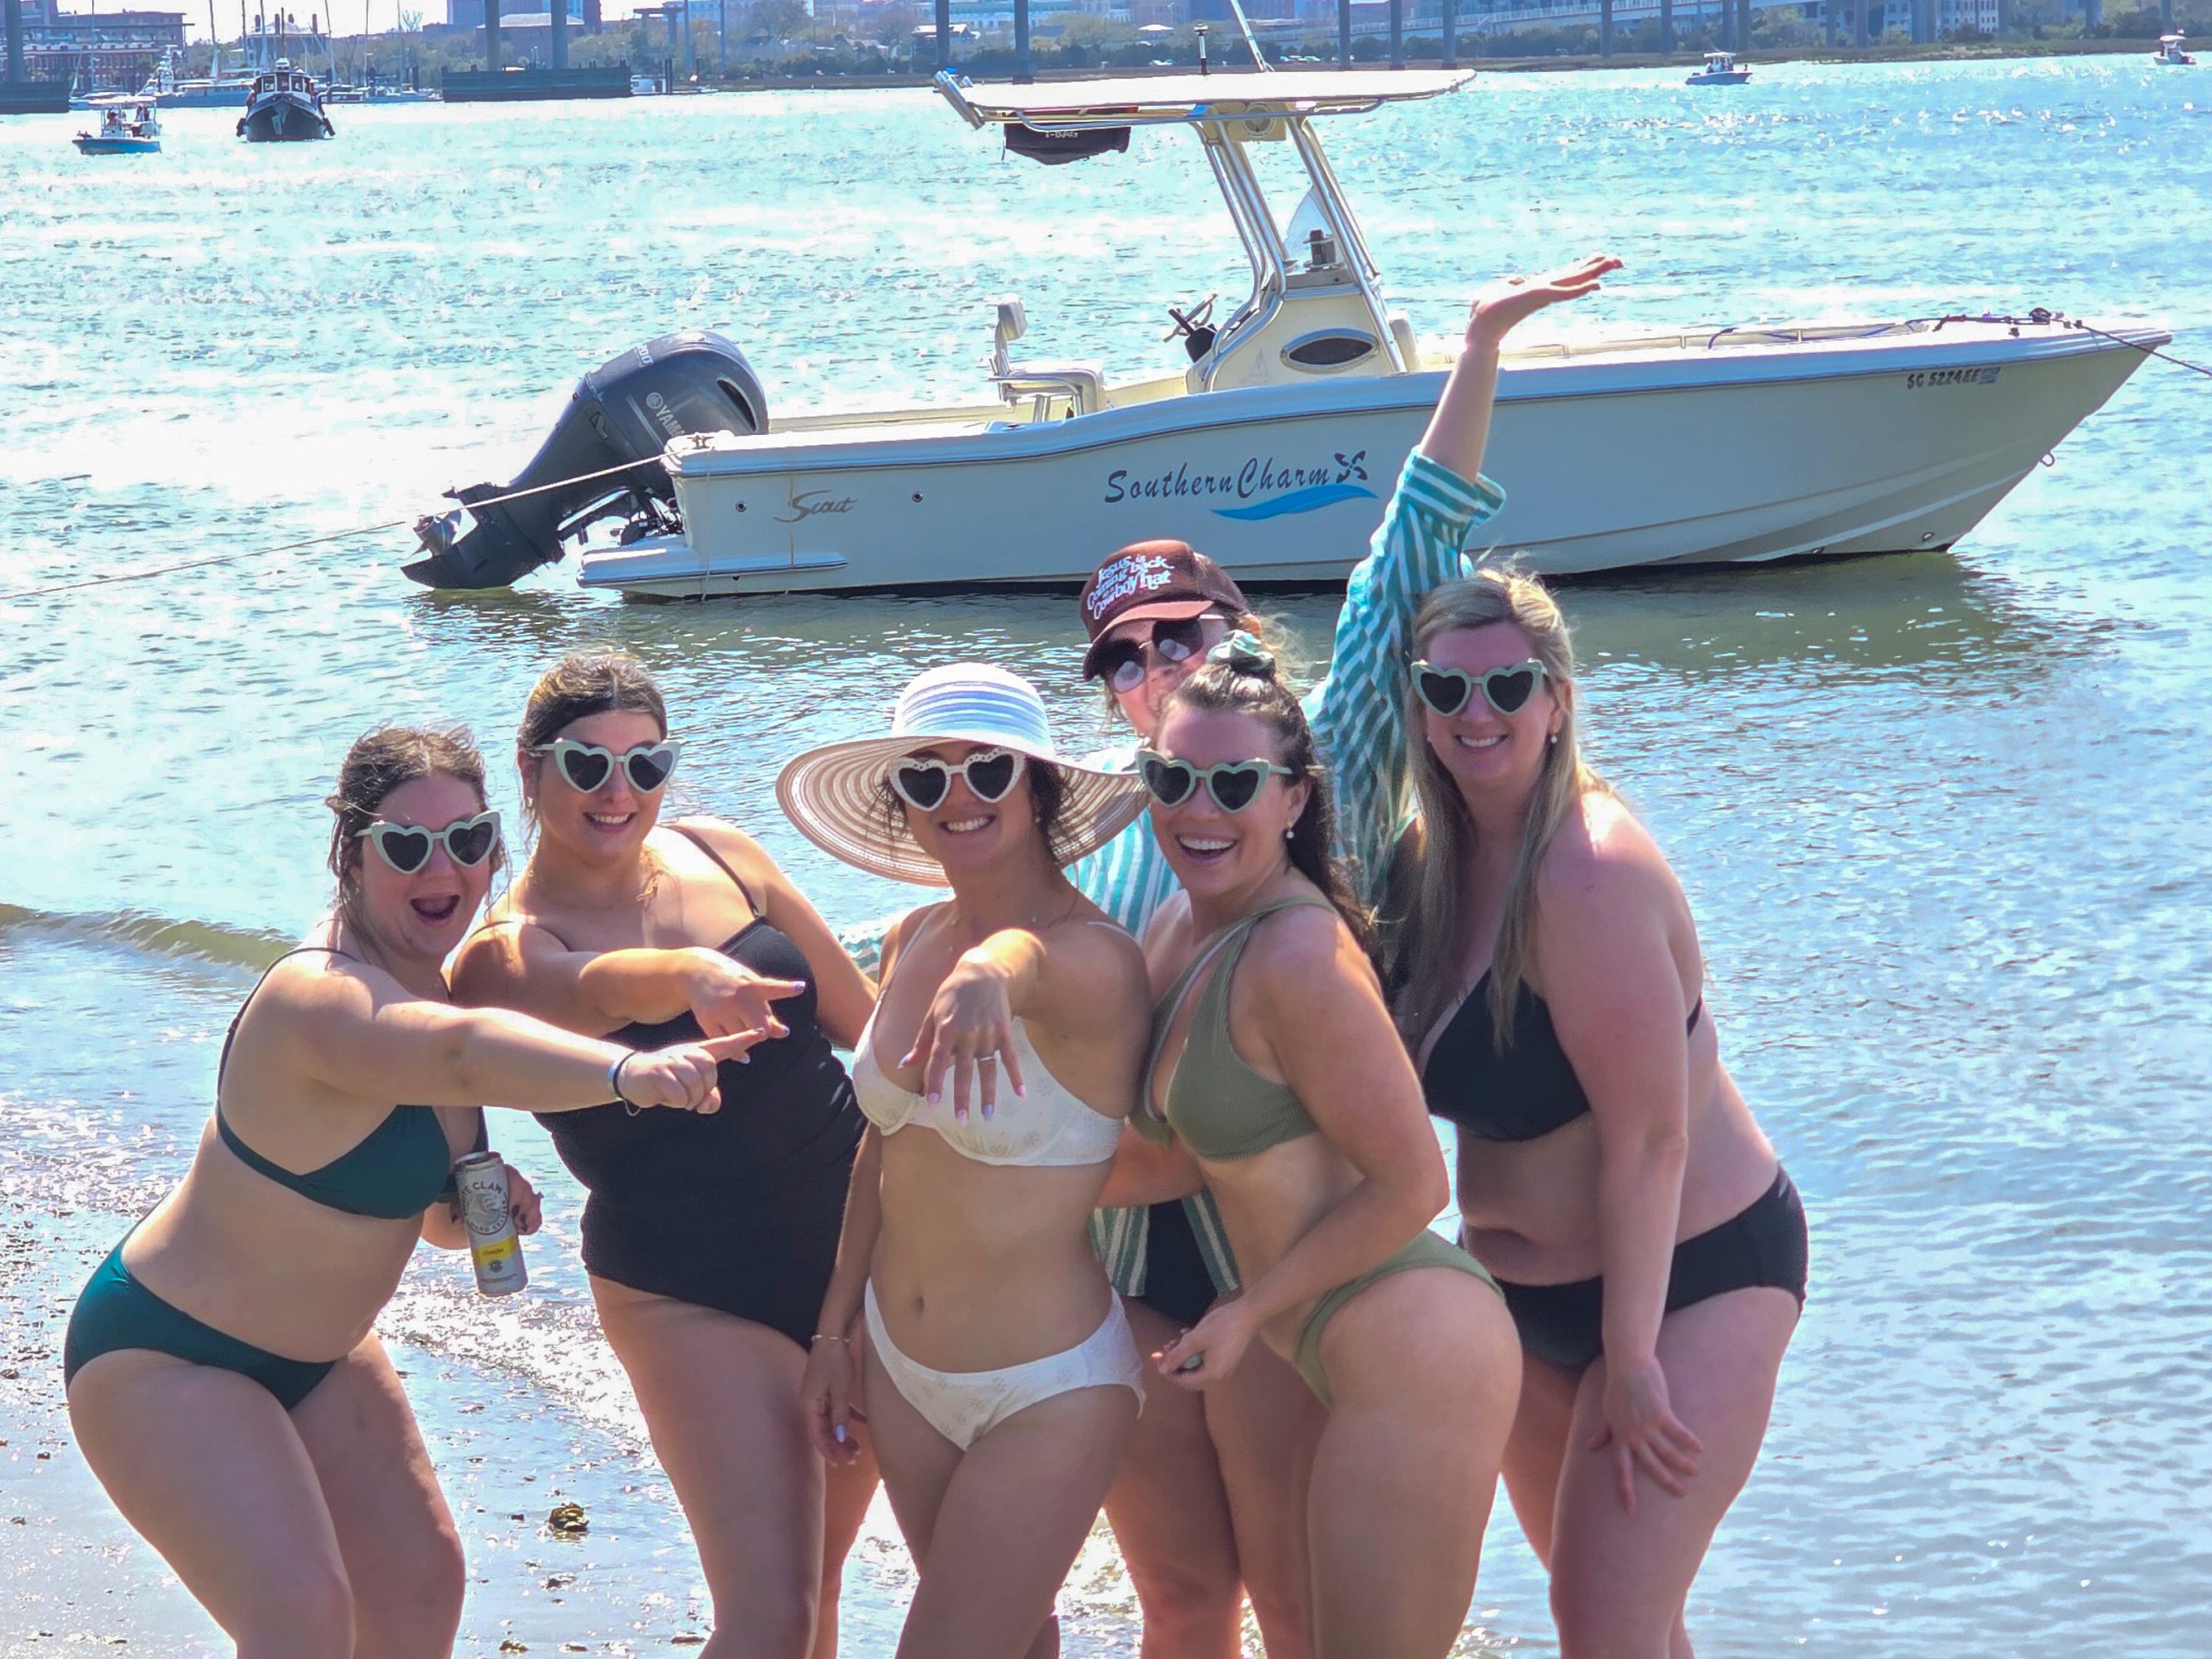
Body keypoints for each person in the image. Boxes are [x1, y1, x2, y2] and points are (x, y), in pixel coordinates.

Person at [1064, 253, 1622, 1658]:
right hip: (1148, 1269)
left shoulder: (1323, 771)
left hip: (1316, 1264)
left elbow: (1405, 559)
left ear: (1243, 643)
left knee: (1316, 1612)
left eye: (1183, 636)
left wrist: (1480, 347)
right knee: (1187, 1603)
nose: (1153, 669)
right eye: (1121, 658)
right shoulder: (1087, 844)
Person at [63, 724, 745, 1659]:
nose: (444, 867)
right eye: (408, 844)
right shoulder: (320, 996)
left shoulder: (438, 985)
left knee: (420, 1589)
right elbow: (456, 1056)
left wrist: (471, 1204)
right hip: (169, 1355)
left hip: (328, 1357)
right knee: (300, 1617)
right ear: (351, 850)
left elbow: (431, 1224)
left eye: (467, 840)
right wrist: (629, 1073)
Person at [1388, 571, 1808, 1657]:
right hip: (1519, 1301)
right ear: (1418, 704)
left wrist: (1630, 1358)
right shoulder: (1422, 867)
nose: (1476, 714)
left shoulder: (1591, 872)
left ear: (1556, 700)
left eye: (1506, 686)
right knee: (1632, 1626)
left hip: (1689, 1280)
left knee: (1601, 1628)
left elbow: (1650, 1137)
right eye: (1447, 689)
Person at [450, 650, 878, 1659]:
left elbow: (869, 1023)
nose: (619, 791)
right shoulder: (500, 954)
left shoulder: (724, 855)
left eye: (646, 765)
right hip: (687, 1287)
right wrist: (691, 971)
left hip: (861, 1255)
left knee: (817, 1588)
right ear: (529, 769)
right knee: (766, 1617)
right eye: (586, 764)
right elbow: (597, 992)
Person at [1131, 649, 1521, 1659]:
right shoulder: (1183, 923)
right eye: (1172, 779)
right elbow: (1182, 1158)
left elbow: (1414, 1183)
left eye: (1233, 785)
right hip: (1284, 1333)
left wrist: (1250, 1307)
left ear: (1294, 798)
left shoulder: (1296, 954)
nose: (1197, 809)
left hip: (1408, 1338)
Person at [779, 665, 1154, 1659]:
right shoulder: (913, 934)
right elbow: (885, 1148)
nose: (959, 798)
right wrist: (832, 1331)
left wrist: (991, 971)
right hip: (901, 1376)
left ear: (1039, 790)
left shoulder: (1094, 959)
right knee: (1014, 1642)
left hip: (1048, 1386)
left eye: (990, 771)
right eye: (927, 776)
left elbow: (1029, 966)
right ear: (901, 803)